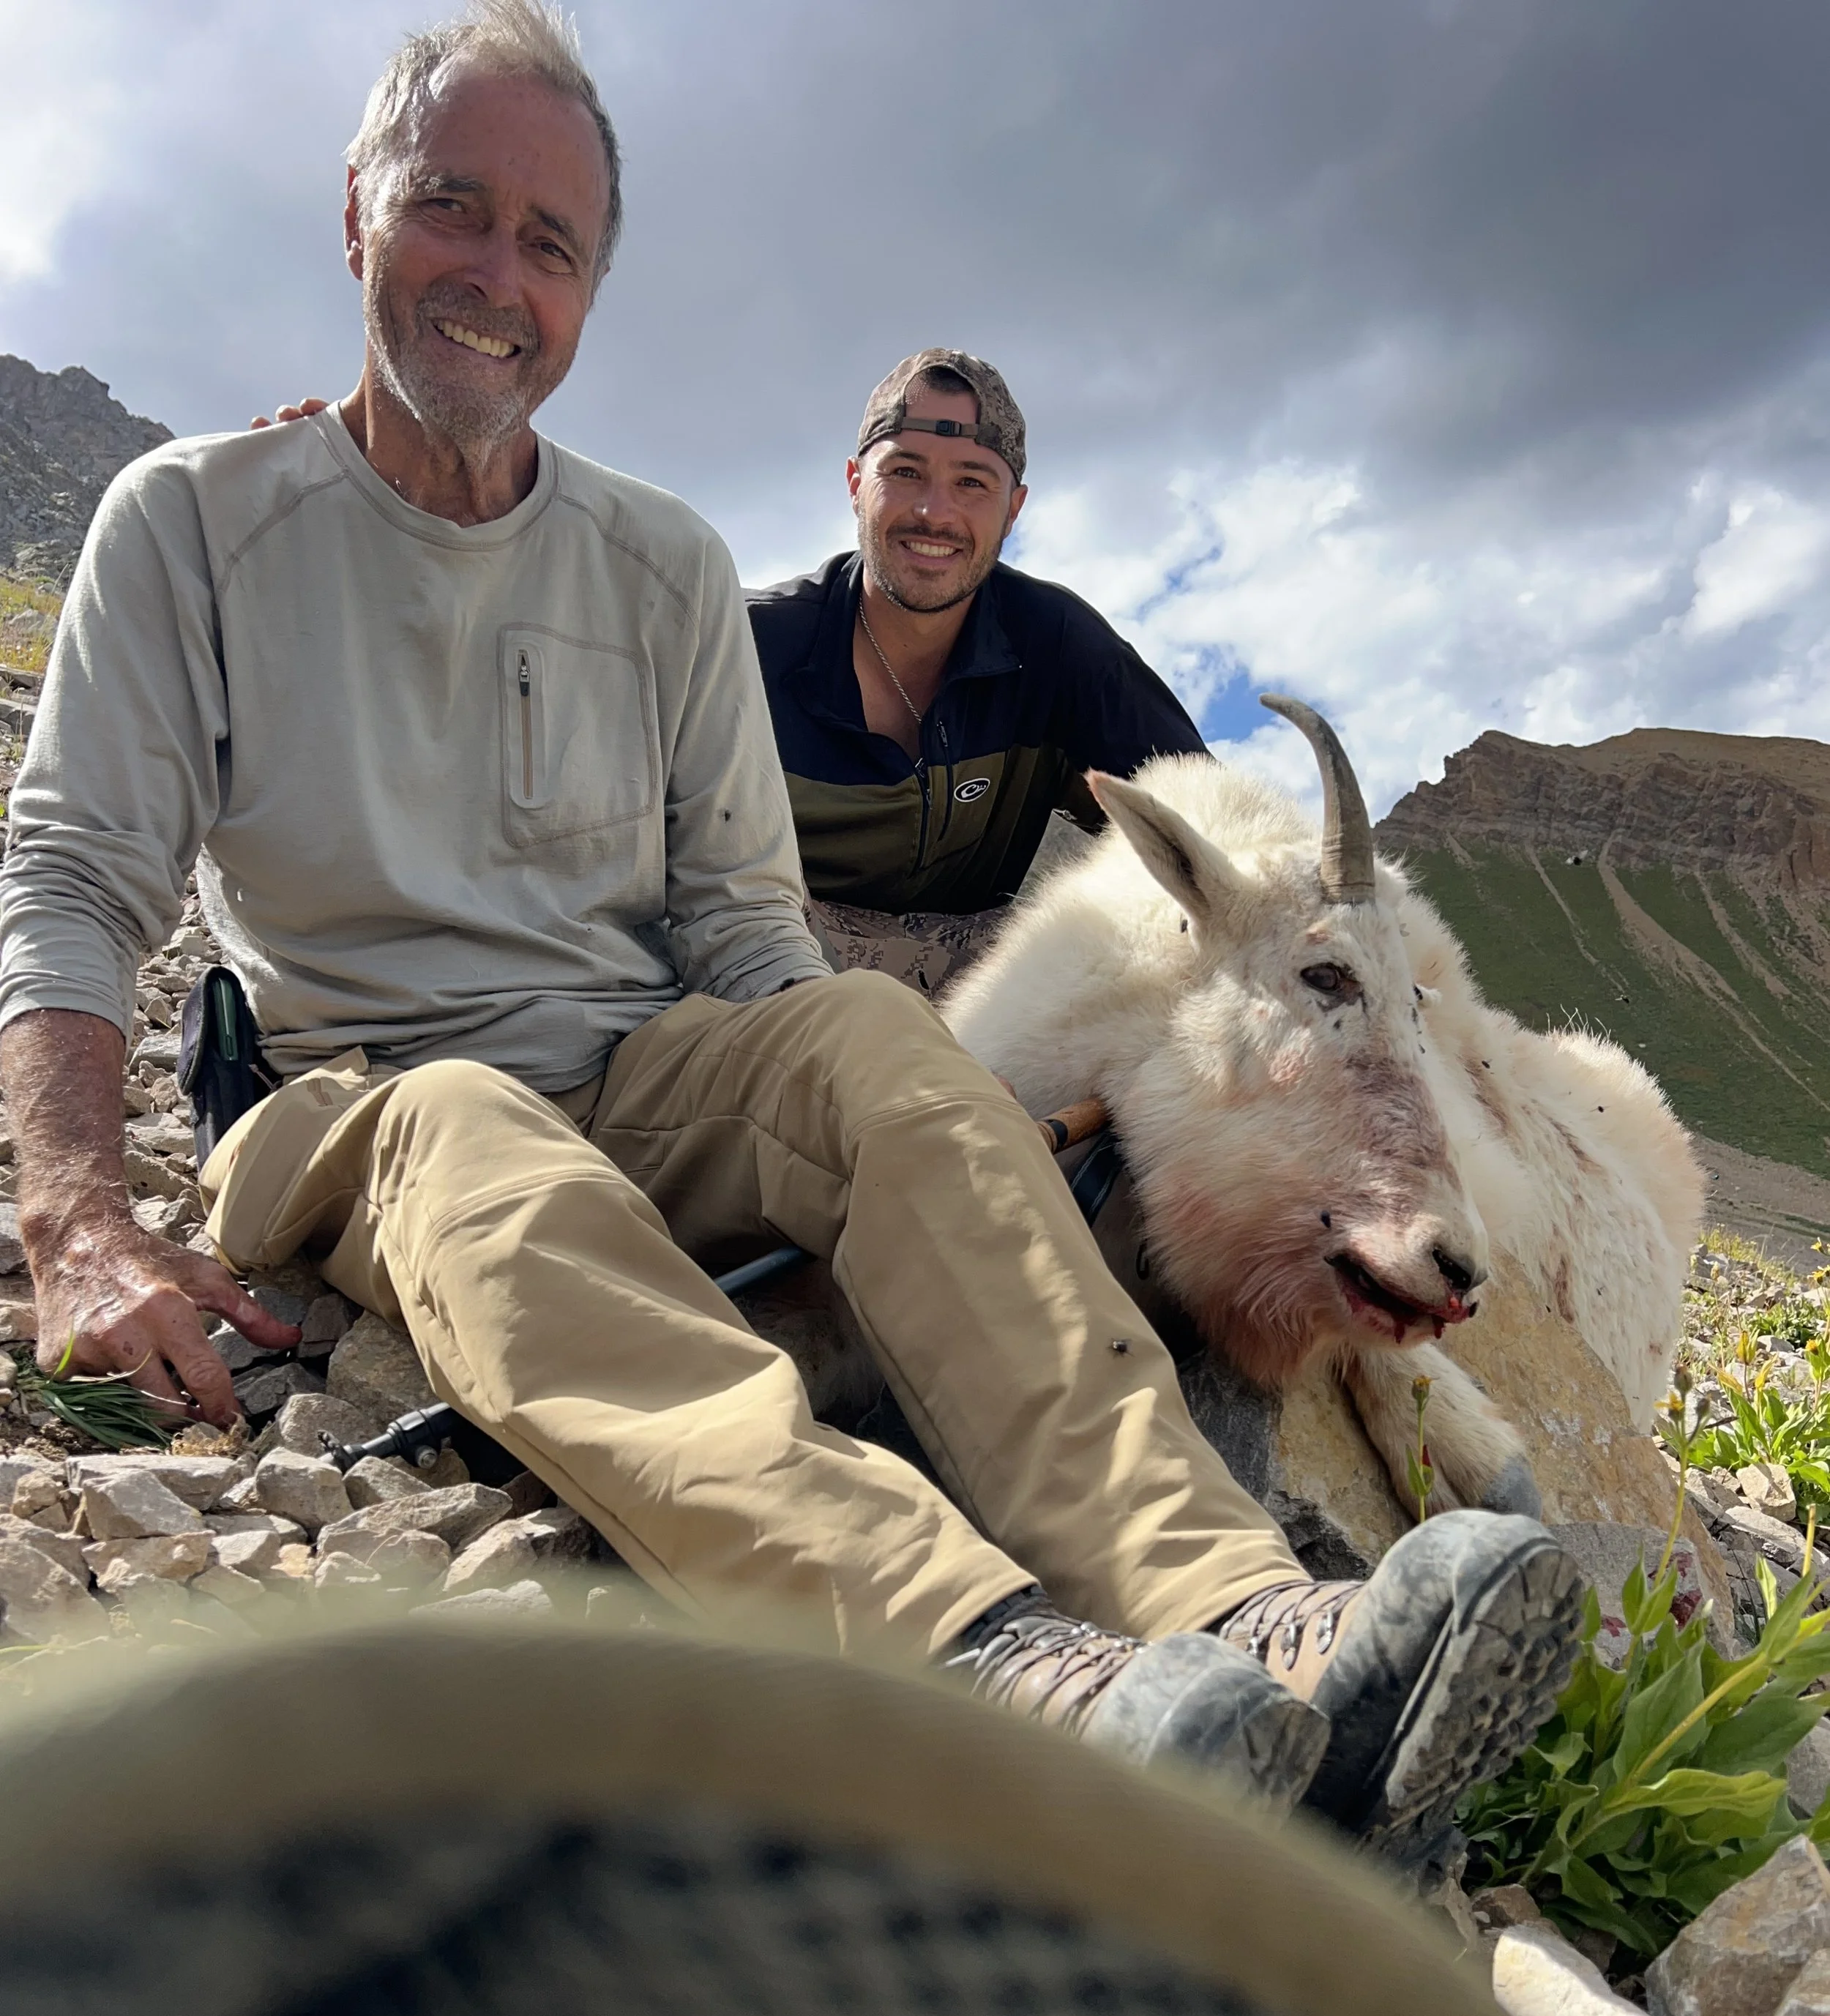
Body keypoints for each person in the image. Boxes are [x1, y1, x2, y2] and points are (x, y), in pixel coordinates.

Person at [0, 0, 1583, 1857]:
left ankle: (1245, 1616)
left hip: (642, 1062)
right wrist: (78, 1219)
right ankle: (996, 1650)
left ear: (592, 291)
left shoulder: (657, 566)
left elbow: (749, 934)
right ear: (355, 215)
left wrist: (925, 1118)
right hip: (355, 1090)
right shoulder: (191, 524)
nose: (497, 277)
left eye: (552, 242)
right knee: (476, 1132)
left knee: (863, 1042)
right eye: (450, 207)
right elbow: (75, 876)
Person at [747, 348, 1209, 996]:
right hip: (772, 973)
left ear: (1014, 508)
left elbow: (1207, 831)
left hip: (980, 990)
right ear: (855, 483)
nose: (935, 513)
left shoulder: (1059, 646)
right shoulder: (748, 646)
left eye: (972, 482)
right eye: (905, 472)